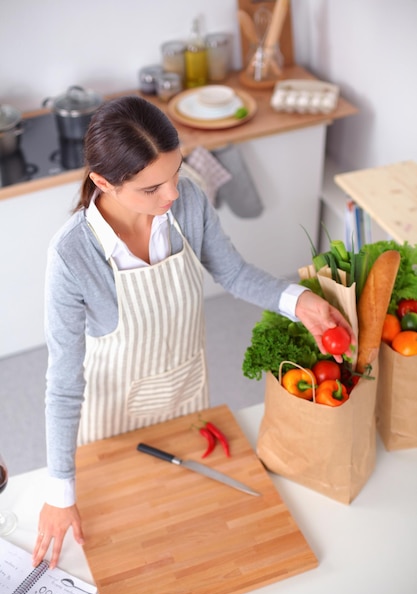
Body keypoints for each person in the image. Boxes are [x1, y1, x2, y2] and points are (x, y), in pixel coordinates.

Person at [33, 95, 354, 569]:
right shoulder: (71, 257)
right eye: (151, 188)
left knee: (193, 529)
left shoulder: (188, 204)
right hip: (112, 419)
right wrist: (60, 491)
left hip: (185, 394)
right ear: (102, 182)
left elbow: (235, 273)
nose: (172, 196)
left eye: (176, 173)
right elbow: (62, 383)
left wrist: (298, 300)